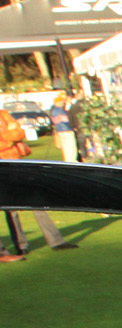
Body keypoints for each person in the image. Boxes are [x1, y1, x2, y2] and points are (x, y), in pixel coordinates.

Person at [0, 107, 74, 261]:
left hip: (17, 165)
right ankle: (21, 245)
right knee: (11, 209)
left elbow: (19, 133)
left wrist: (6, 137)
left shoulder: (4, 114)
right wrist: (9, 137)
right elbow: (12, 136)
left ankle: (56, 240)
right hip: (4, 169)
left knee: (36, 201)